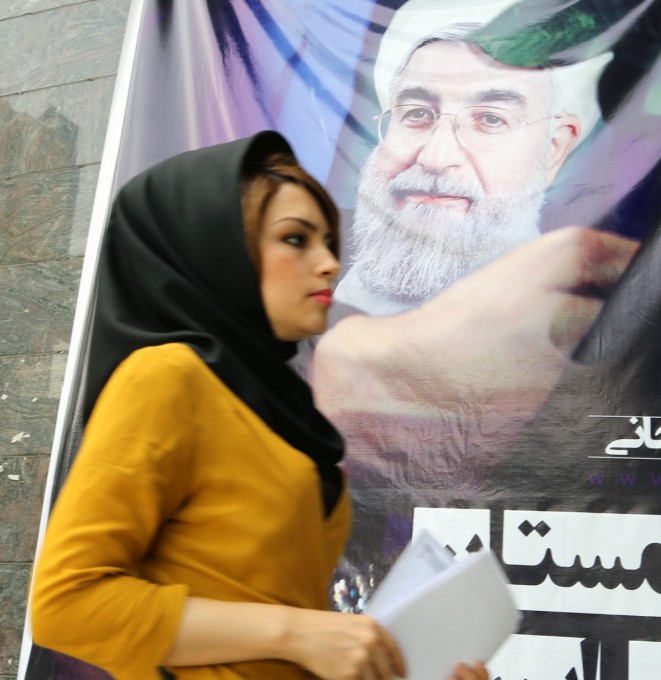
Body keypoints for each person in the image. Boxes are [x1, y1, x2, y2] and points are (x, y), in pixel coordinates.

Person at [30, 131, 488, 680]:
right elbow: (66, 607)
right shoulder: (167, 378)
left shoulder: (279, 406)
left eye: (327, 242)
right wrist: (298, 632)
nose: (328, 265)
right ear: (215, 246)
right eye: (296, 239)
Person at [333, 0, 612, 316]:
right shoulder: (297, 259)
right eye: (417, 113)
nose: (436, 157)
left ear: (554, 149)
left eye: (491, 120)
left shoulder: (591, 324)